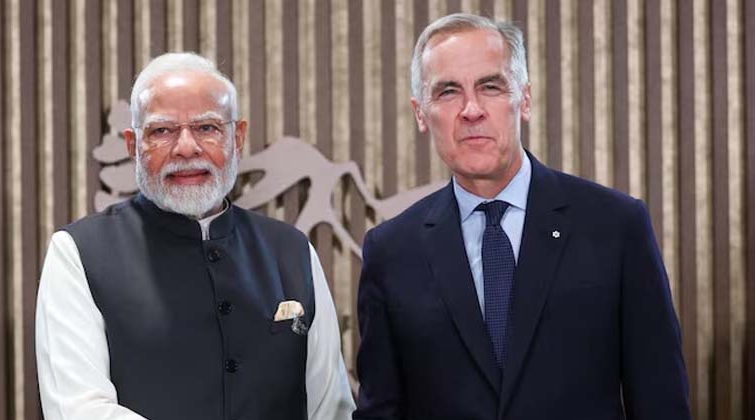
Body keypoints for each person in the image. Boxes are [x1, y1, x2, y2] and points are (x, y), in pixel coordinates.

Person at [354, 13, 690, 420]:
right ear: (421, 114)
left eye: (490, 86)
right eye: (448, 92)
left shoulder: (617, 227)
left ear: (524, 99)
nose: (471, 110)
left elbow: (660, 401)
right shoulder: (391, 252)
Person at [35, 52, 355, 420]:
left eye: (207, 128)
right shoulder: (78, 253)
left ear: (237, 137)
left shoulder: (292, 251)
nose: (186, 147)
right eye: (162, 131)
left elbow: (331, 408)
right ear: (132, 145)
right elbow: (80, 410)